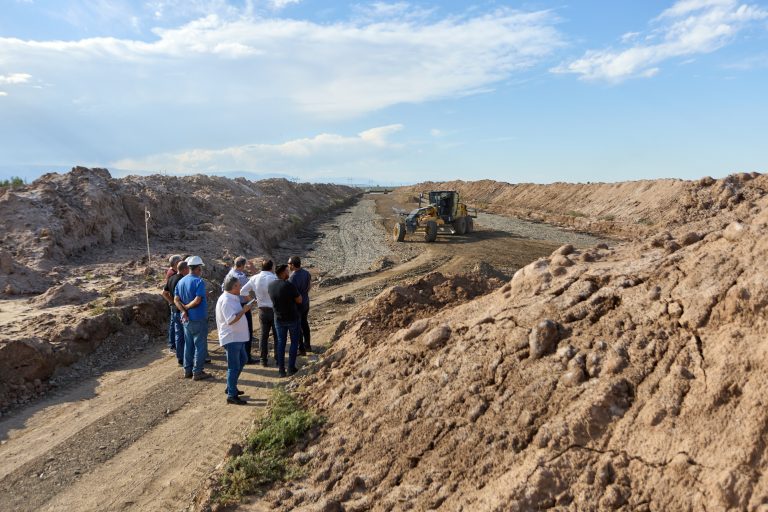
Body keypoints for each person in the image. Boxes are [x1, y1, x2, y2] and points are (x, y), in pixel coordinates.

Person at [216, 275, 253, 405]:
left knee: (243, 360)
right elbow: (231, 320)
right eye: (239, 285)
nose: (241, 287)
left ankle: (231, 386)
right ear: (233, 287)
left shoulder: (232, 297)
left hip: (237, 337)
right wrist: (244, 310)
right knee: (233, 366)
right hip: (231, 338)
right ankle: (231, 395)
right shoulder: (226, 300)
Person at [174, 255, 211, 381]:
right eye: (200, 268)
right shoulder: (199, 281)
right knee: (200, 346)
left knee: (188, 345)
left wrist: (183, 310)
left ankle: (187, 370)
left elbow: (176, 299)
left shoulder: (181, 281)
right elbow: (198, 299)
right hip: (198, 318)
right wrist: (187, 308)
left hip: (186, 320)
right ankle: (197, 372)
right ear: (198, 268)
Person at [241, 259, 278, 367]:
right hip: (274, 310)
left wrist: (252, 300)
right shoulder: (274, 278)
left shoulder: (254, 278)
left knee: (263, 335)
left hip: (262, 310)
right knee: (277, 335)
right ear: (271, 267)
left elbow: (243, 291)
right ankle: (277, 358)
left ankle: (263, 360)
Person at [268, 264, 302, 377]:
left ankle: (281, 370)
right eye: (287, 271)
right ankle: (291, 368)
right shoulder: (289, 285)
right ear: (282, 272)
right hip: (292, 318)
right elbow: (299, 300)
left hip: (278, 318)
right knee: (294, 342)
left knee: (281, 343)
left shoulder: (271, 285)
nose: (288, 273)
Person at [222, 256, 257, 364]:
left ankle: (241, 355)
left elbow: (223, 287)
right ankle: (246, 357)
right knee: (247, 330)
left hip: (232, 302)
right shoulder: (240, 277)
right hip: (241, 304)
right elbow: (254, 283)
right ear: (242, 265)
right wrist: (251, 302)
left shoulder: (230, 273)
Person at [163, 260, 189, 365]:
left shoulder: (171, 278)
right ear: (184, 269)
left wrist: (172, 302)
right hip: (182, 311)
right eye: (188, 269)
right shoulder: (183, 280)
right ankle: (187, 357)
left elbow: (164, 293)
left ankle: (180, 357)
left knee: (178, 335)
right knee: (187, 335)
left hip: (174, 310)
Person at [288, 255, 312, 354]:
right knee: (304, 323)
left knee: (297, 326)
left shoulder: (292, 278)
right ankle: (308, 346)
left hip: (297, 305)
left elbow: (292, 294)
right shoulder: (306, 273)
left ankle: (301, 348)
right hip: (306, 302)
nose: (288, 265)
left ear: (293, 265)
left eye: (289, 263)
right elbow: (309, 286)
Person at [164, 254, 183, 354]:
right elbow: (165, 292)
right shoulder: (173, 274)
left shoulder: (171, 272)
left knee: (174, 324)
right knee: (175, 326)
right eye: (181, 261)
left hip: (174, 303)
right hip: (175, 304)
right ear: (176, 263)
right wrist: (172, 302)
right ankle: (173, 345)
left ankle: (173, 345)